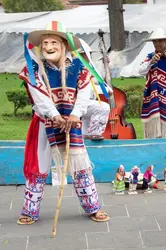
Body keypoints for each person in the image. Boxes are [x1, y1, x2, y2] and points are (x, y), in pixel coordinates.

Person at [17, 21, 109, 225]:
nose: (48, 47)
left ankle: (92, 207)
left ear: (64, 45)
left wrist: (75, 114)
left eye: (53, 42)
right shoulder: (33, 68)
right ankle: (30, 210)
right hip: (45, 123)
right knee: (39, 166)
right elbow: (38, 95)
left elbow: (84, 93)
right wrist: (53, 114)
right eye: (45, 42)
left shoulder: (79, 66)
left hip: (71, 123)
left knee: (80, 163)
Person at [77, 38, 111, 140]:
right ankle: (95, 132)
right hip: (78, 102)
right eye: (85, 54)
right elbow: (85, 86)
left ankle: (87, 136)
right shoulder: (77, 69)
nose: (88, 57)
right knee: (103, 107)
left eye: (88, 54)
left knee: (87, 126)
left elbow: (98, 80)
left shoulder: (89, 68)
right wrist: (104, 91)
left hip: (87, 102)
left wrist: (106, 65)